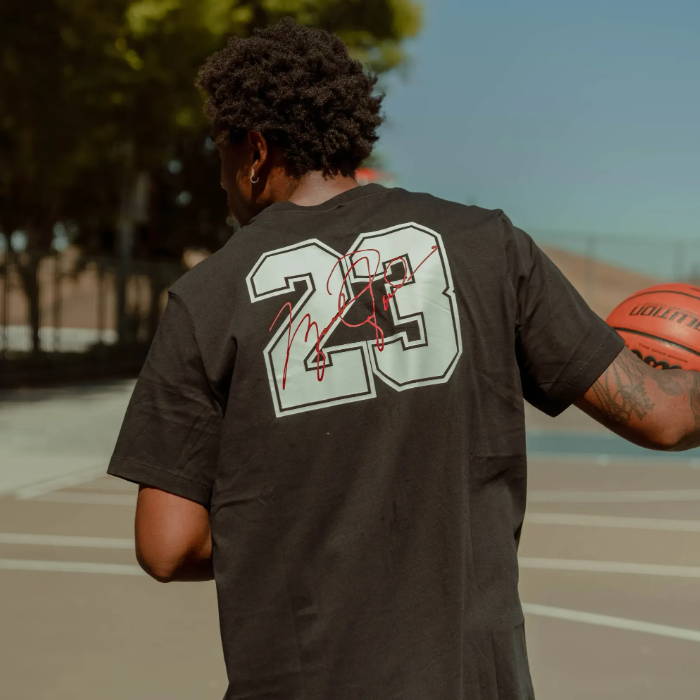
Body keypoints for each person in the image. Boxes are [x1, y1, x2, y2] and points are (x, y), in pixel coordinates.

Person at [106, 17, 700, 700]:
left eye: (220, 151)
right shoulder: (489, 246)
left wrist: (294, 531)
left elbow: (167, 544)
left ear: (256, 150)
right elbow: (662, 414)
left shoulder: (205, 298)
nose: (220, 180)